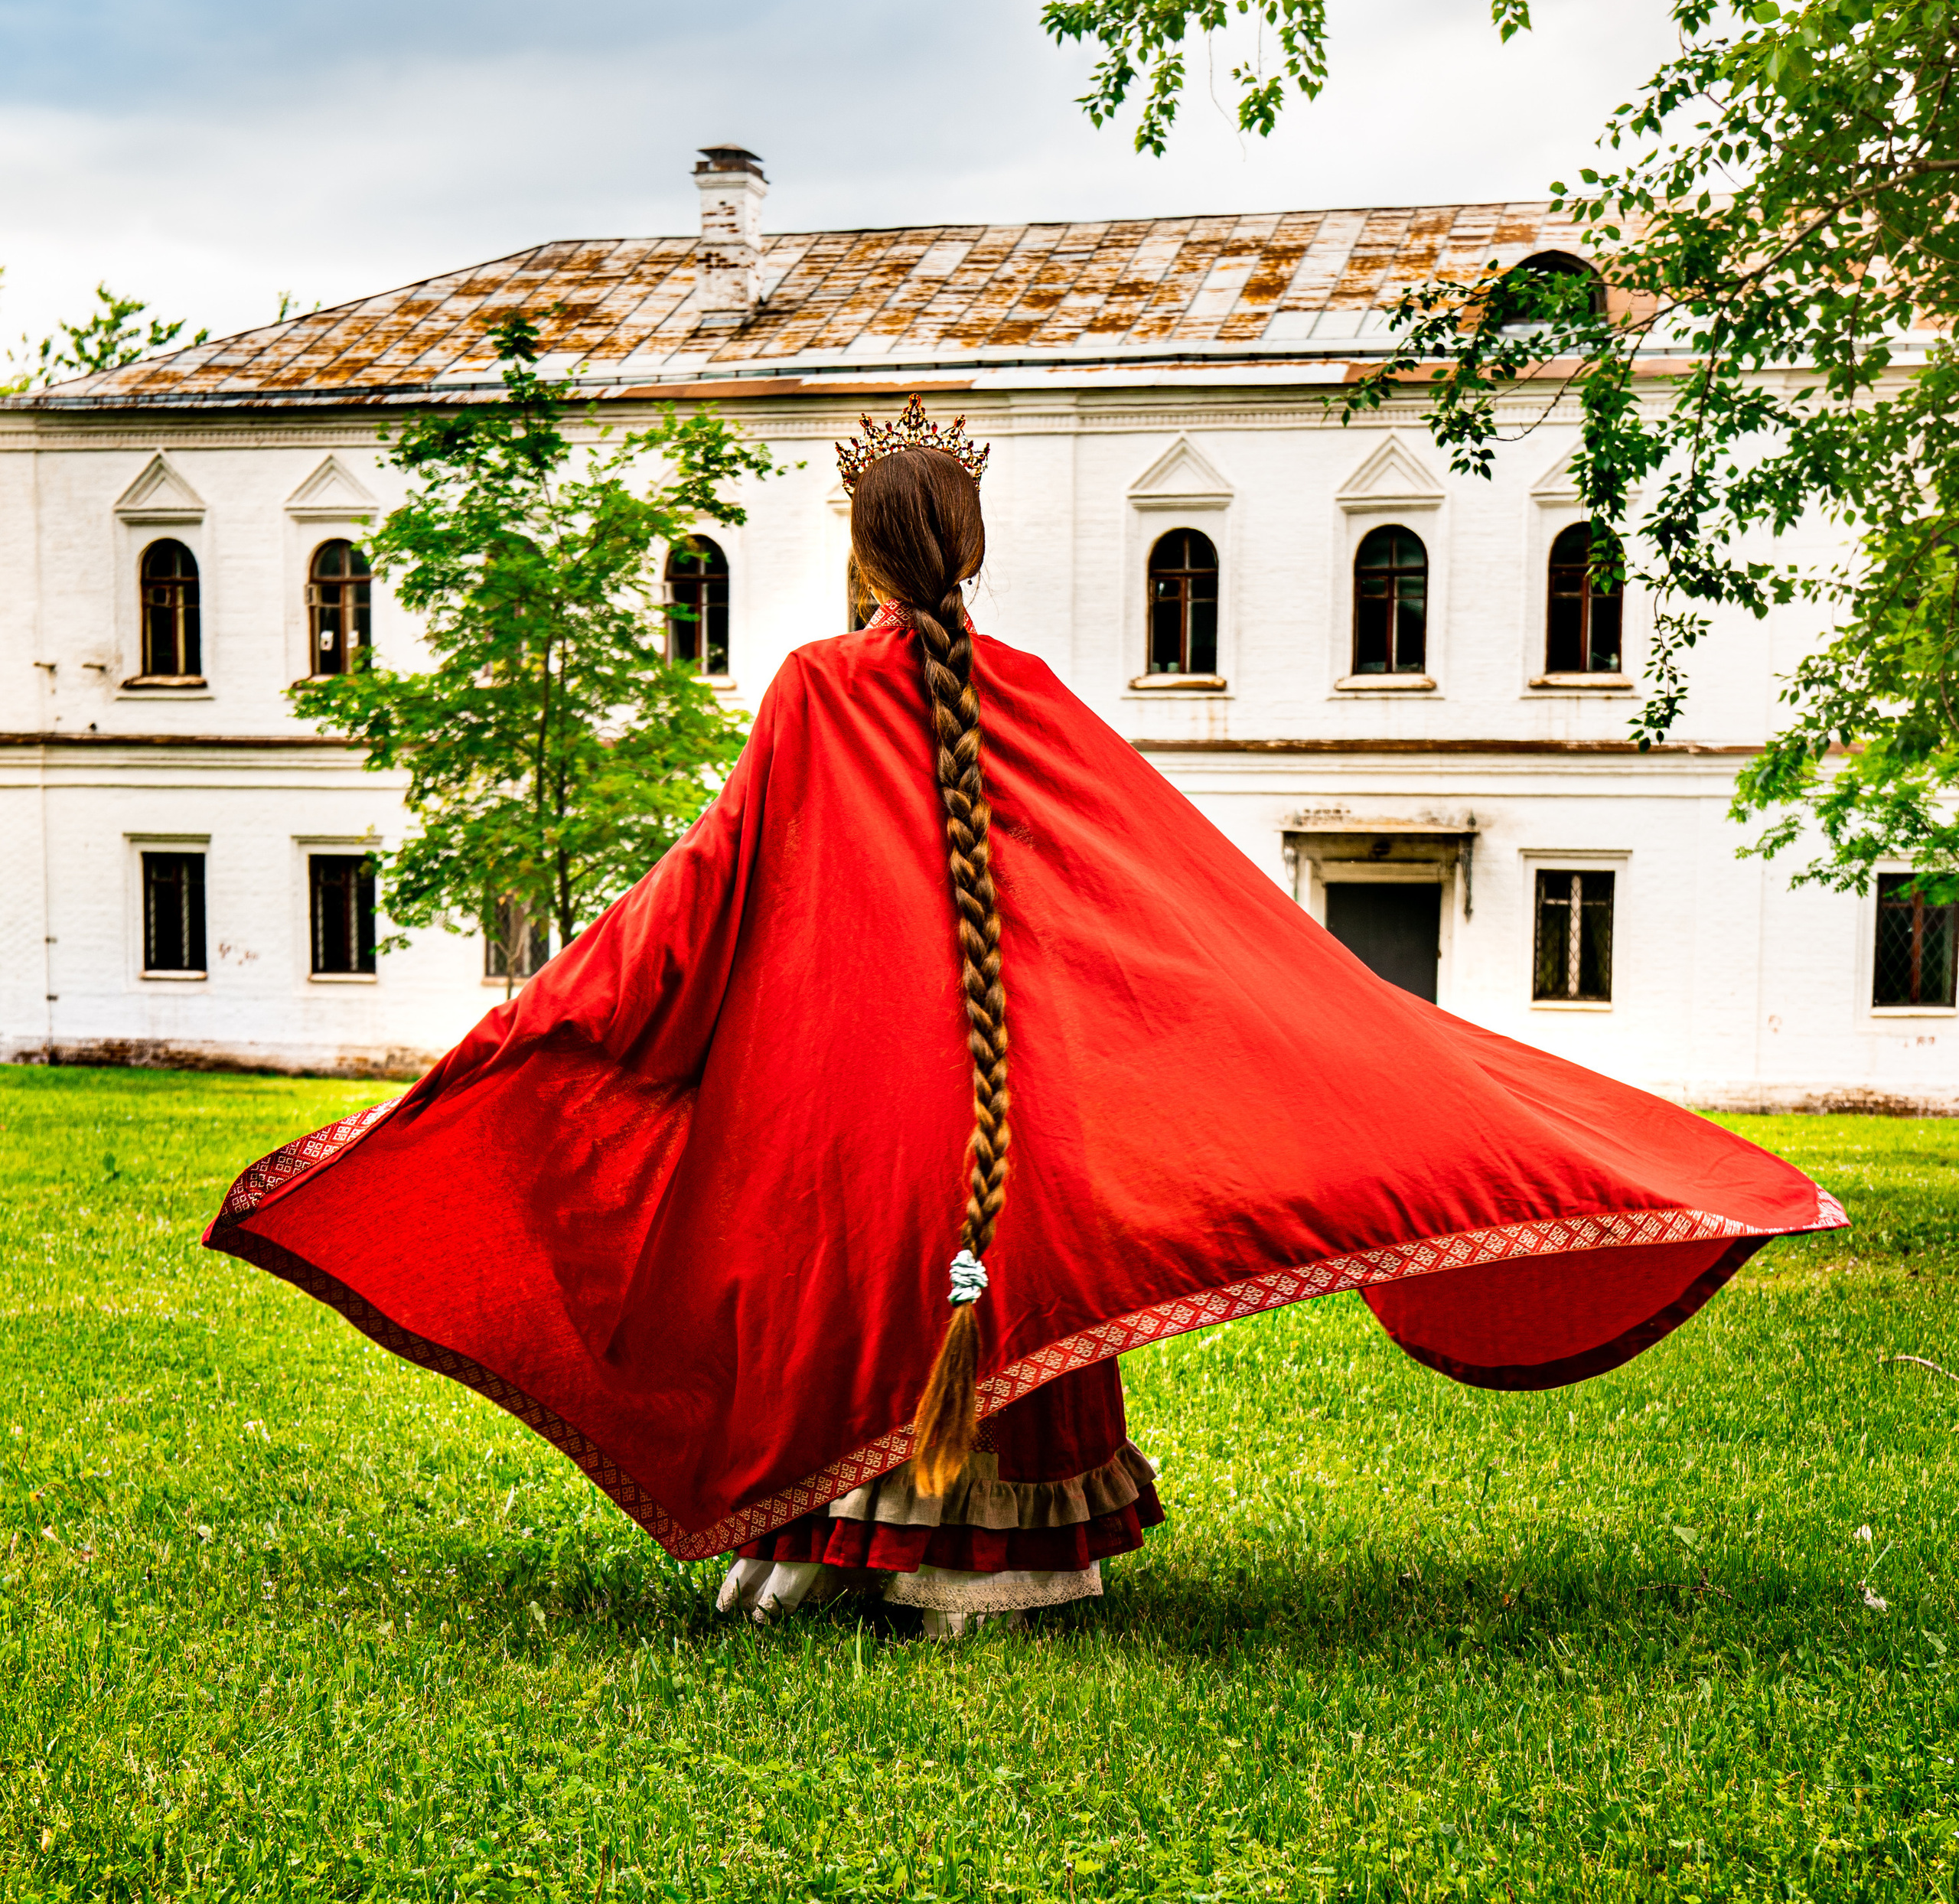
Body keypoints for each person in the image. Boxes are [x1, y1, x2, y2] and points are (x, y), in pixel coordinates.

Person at [206, 399, 1840, 1632]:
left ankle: (830, 1535)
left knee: (820, 1261)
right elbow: (1179, 908)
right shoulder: (1037, 701)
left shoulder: (807, 693)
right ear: (969, 551)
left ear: (858, 551)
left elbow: (688, 910)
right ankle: (996, 1564)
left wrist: (530, 1031)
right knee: (986, 1269)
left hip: (837, 1122)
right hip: (1001, 1138)